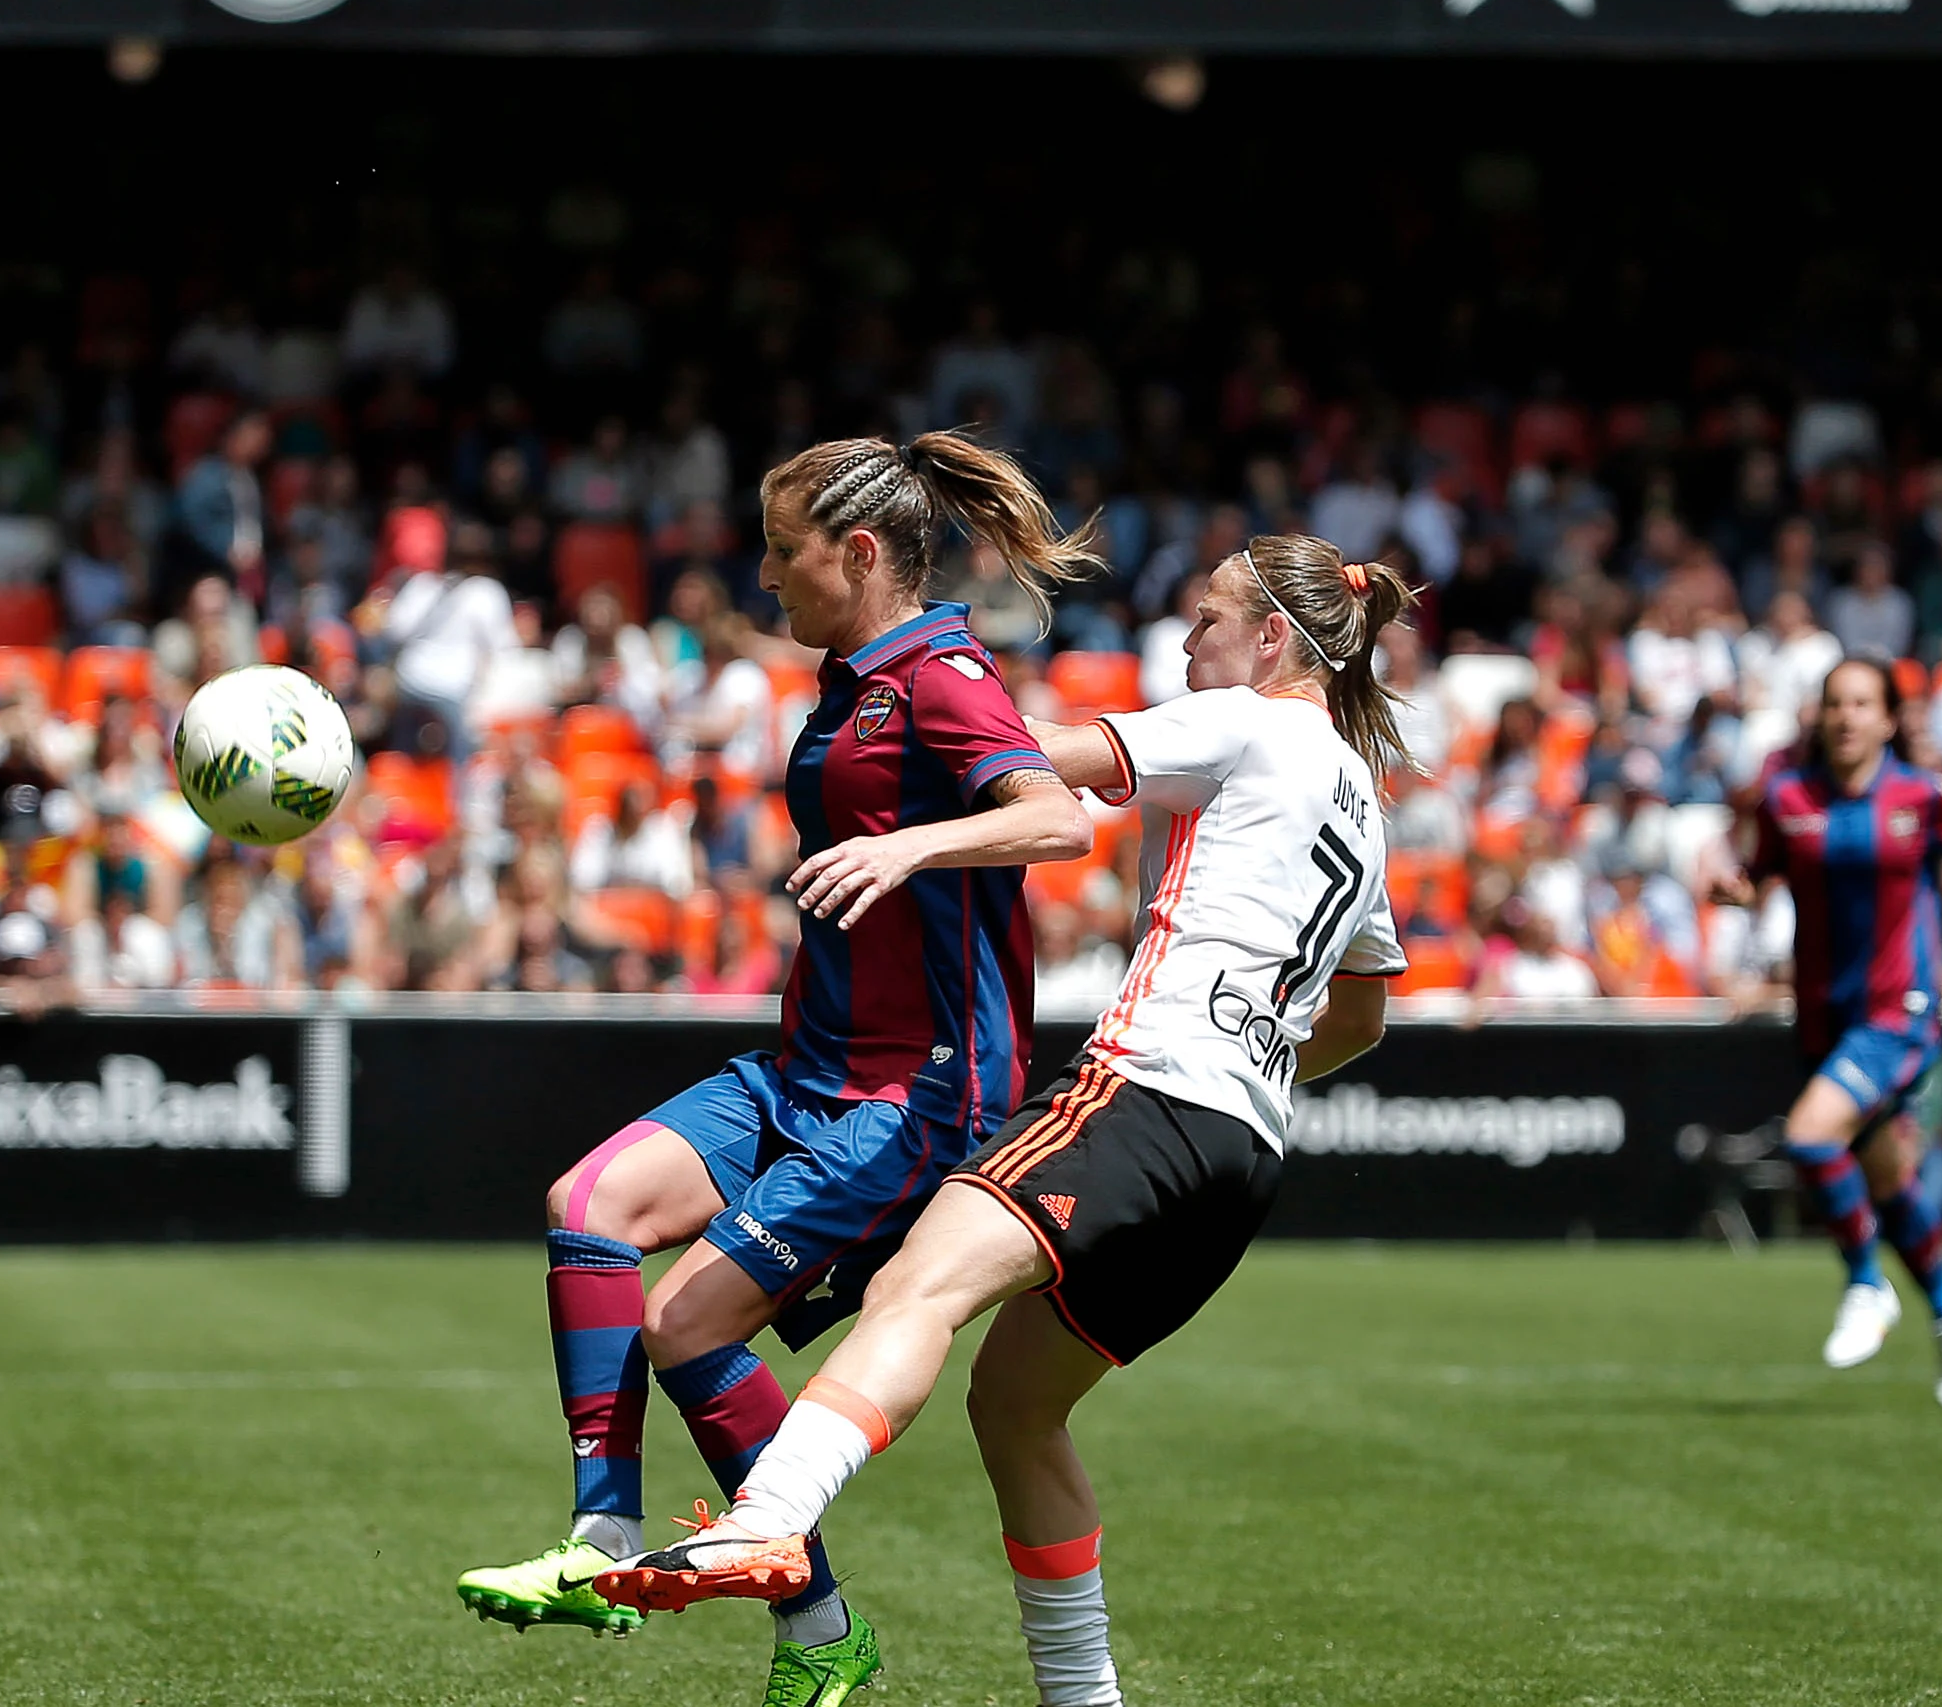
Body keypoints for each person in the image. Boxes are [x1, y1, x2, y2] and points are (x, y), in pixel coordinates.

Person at [591, 538, 1413, 1707]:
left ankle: (764, 1519)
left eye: (1206, 619)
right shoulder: (1361, 801)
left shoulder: (1246, 722)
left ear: (1272, 640)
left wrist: (919, 720)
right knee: (1016, 1403)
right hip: (1242, 1150)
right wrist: (1256, 1060)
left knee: (914, 1288)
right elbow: (1364, 1016)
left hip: (1145, 1088)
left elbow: (1026, 762)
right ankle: (1085, 1699)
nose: (1185, 644)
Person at [454, 431, 1098, 1707]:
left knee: (684, 1320)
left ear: (856, 553)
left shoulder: (943, 674)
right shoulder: (856, 674)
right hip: (807, 1064)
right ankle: (605, 1536)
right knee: (587, 1209)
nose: (763, 573)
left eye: (780, 548)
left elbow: (1059, 815)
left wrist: (914, 849)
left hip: (918, 1089)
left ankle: (818, 1628)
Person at [1708, 656, 1942, 1408]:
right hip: (1824, 1014)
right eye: (1836, 702)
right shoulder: (1786, 798)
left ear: (1889, 718)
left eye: (1863, 703)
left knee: (1808, 1136)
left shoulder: (1924, 795)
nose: (1847, 716)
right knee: (1888, 1182)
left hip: (1900, 1007)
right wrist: (1729, 888)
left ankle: (1869, 1286)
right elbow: (1758, 876)